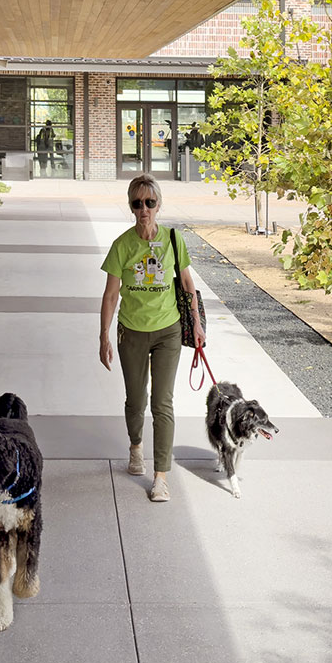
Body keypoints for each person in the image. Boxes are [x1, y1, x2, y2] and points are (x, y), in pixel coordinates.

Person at [97, 175, 204, 503]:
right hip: (132, 330)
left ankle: (161, 476)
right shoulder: (122, 245)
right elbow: (111, 295)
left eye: (149, 203)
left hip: (169, 330)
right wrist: (103, 336)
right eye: (137, 203)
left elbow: (187, 285)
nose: (143, 209)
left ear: (158, 205)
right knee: (136, 400)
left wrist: (197, 326)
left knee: (162, 403)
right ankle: (135, 447)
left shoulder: (174, 239)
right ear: (131, 206)